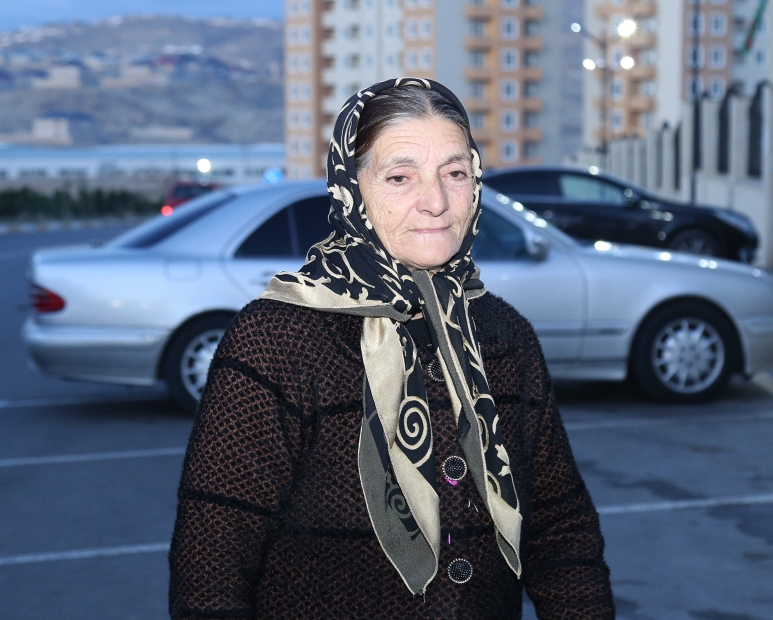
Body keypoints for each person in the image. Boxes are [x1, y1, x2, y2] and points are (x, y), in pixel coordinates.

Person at [168, 78, 614, 619]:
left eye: (454, 173)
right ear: (352, 189)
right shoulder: (275, 341)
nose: (436, 202)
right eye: (400, 177)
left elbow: (562, 535)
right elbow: (211, 573)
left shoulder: (503, 335)